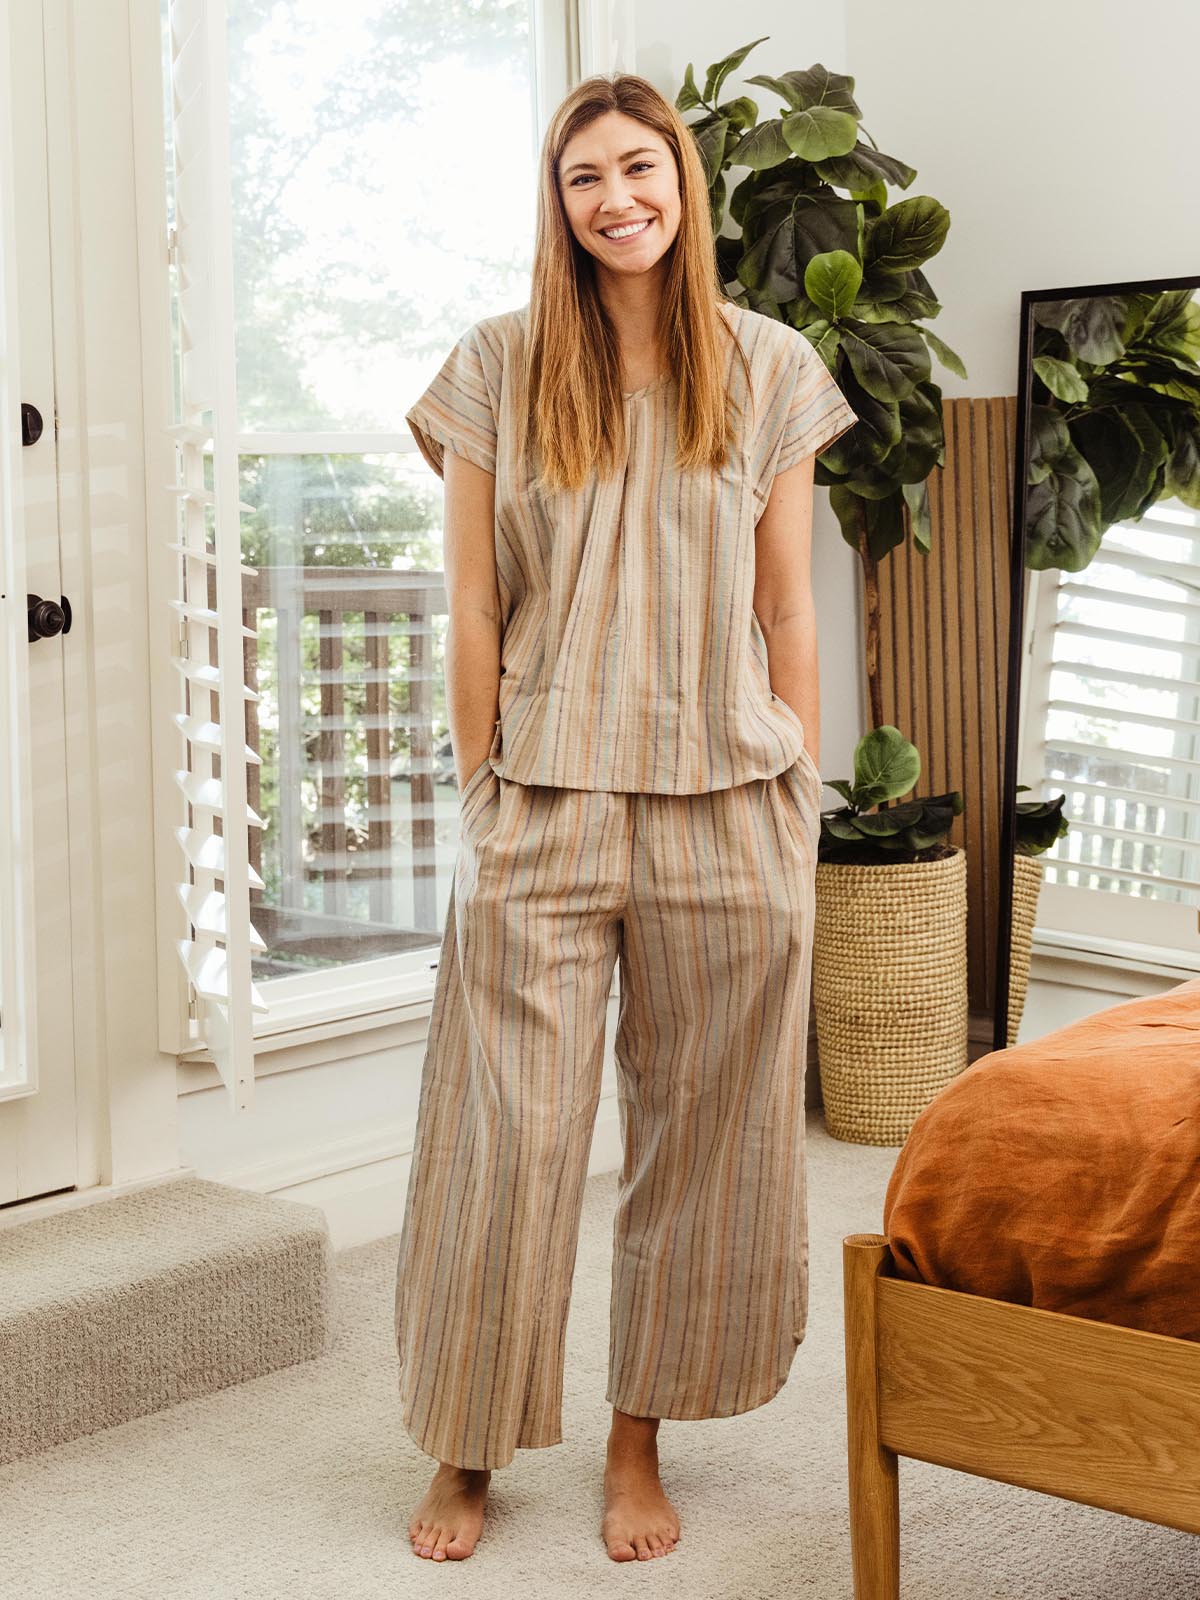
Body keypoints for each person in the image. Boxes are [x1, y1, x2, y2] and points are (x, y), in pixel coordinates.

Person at [394, 70, 856, 1565]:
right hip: (549, 799)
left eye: (638, 167)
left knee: (705, 1138)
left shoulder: (769, 365)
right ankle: (468, 1445)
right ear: (559, 199)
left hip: (729, 797)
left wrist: (796, 781)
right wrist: (484, 784)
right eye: (584, 175)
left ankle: (635, 1442)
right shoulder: (498, 365)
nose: (616, 198)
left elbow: (787, 600)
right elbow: (473, 602)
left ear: (682, 180)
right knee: (503, 1136)